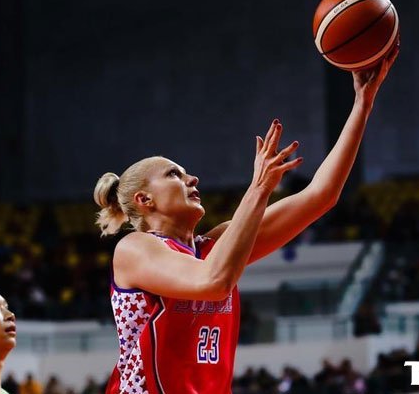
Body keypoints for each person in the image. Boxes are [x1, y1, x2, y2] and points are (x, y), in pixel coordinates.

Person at [94, 45, 398, 394]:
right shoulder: (134, 249)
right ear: (144, 200)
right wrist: (259, 188)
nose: (192, 179)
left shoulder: (214, 247)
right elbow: (214, 280)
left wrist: (362, 105)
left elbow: (321, 196)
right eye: (174, 174)